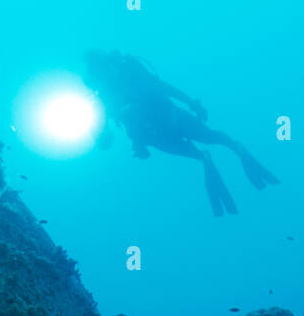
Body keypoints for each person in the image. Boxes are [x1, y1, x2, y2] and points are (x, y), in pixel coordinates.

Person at [83, 50, 278, 217]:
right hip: (171, 121)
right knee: (213, 137)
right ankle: (233, 148)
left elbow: (110, 134)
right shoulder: (123, 77)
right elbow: (163, 88)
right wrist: (192, 103)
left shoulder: (116, 84)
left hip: (158, 135)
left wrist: (126, 142)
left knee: (201, 150)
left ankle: (207, 157)